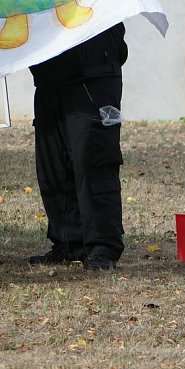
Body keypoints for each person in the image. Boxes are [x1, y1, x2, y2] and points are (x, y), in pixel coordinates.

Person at [27, 23, 128, 270]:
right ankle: (68, 242)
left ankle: (103, 247)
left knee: (92, 161)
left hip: (91, 71)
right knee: (53, 166)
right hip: (49, 72)